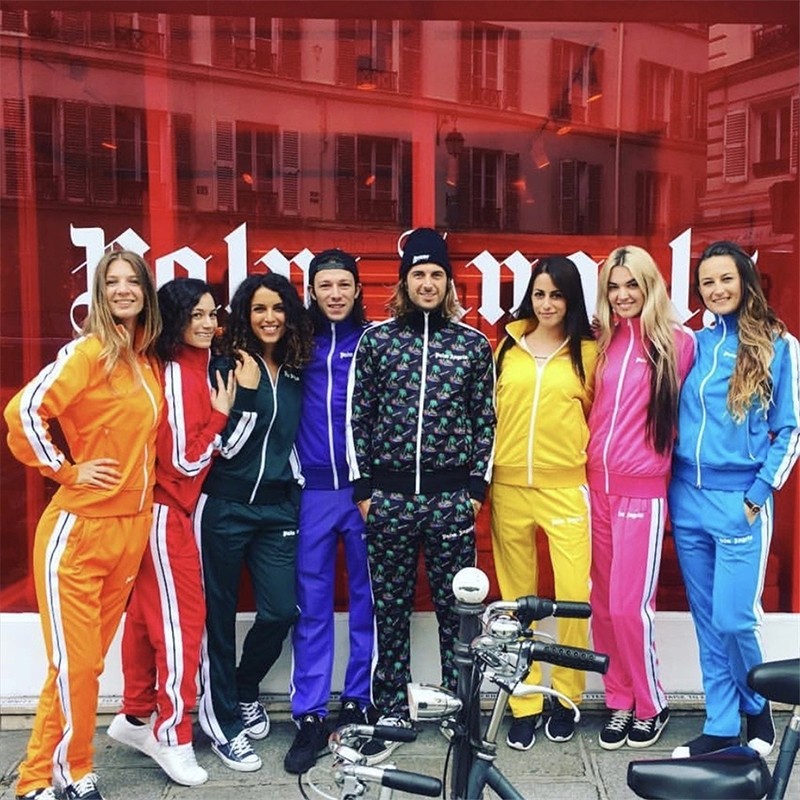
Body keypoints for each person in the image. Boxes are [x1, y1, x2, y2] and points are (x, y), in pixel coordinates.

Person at [5, 251, 163, 800]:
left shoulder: (144, 361)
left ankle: (48, 772)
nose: (123, 290)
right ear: (99, 292)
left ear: (146, 291)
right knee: (73, 666)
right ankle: (55, 775)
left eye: (132, 281)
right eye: (111, 281)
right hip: (78, 533)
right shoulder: (89, 351)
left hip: (128, 531)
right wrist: (67, 470)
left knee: (85, 666)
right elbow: (23, 412)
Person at [347, 227, 496, 764]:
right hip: (388, 501)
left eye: (436, 274)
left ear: (448, 282)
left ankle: (459, 707)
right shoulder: (377, 341)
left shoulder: (472, 345)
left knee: (458, 612)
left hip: (450, 501)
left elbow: (486, 419)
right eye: (418, 274)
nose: (428, 283)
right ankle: (391, 707)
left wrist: (474, 490)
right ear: (404, 282)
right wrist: (364, 490)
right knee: (390, 608)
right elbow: (357, 416)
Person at [669, 240, 800, 759]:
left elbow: (790, 430)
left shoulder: (778, 344)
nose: (717, 289)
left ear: (745, 281)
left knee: (734, 618)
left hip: (739, 502)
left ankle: (758, 705)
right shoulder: (694, 345)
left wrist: (756, 495)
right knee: (707, 621)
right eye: (707, 282)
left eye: (726, 278)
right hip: (687, 498)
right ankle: (721, 723)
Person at [106, 278, 234, 785]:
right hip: (164, 511)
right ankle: (174, 734)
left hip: (163, 510)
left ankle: (136, 716)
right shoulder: (179, 372)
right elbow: (181, 460)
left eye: (211, 314)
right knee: (182, 624)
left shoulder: (196, 365)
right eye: (195, 315)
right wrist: (220, 420)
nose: (207, 323)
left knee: (146, 618)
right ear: (175, 321)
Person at [196, 272, 314, 772]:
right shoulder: (226, 365)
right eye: (259, 308)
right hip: (224, 506)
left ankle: (245, 689)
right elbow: (220, 447)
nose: (269, 317)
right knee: (218, 620)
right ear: (245, 314)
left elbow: (291, 439)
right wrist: (243, 397)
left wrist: (295, 492)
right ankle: (223, 724)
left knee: (281, 611)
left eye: (278, 308)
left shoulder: (294, 369)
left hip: (276, 510)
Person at [587, 246, 695, 751]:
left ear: (650, 286)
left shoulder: (678, 343)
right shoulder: (603, 341)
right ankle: (619, 699)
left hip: (643, 490)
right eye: (614, 286)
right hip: (598, 486)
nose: (622, 295)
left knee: (631, 606)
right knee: (604, 606)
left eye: (632, 284)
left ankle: (652, 703)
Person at [490, 256, 597, 750]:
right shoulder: (506, 348)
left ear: (571, 299)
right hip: (509, 487)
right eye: (539, 293)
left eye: (557, 294)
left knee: (573, 597)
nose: (547, 303)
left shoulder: (589, 353)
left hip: (565, 488)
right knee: (517, 603)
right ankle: (524, 701)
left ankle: (567, 696)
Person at [283, 249, 374, 774]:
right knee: (311, 604)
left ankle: (359, 701)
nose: (335, 294)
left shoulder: (373, 341)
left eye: (343, 285)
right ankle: (311, 714)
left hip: (363, 493)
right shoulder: (298, 345)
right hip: (313, 491)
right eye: (325, 286)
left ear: (357, 290)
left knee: (368, 601)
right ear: (312, 291)